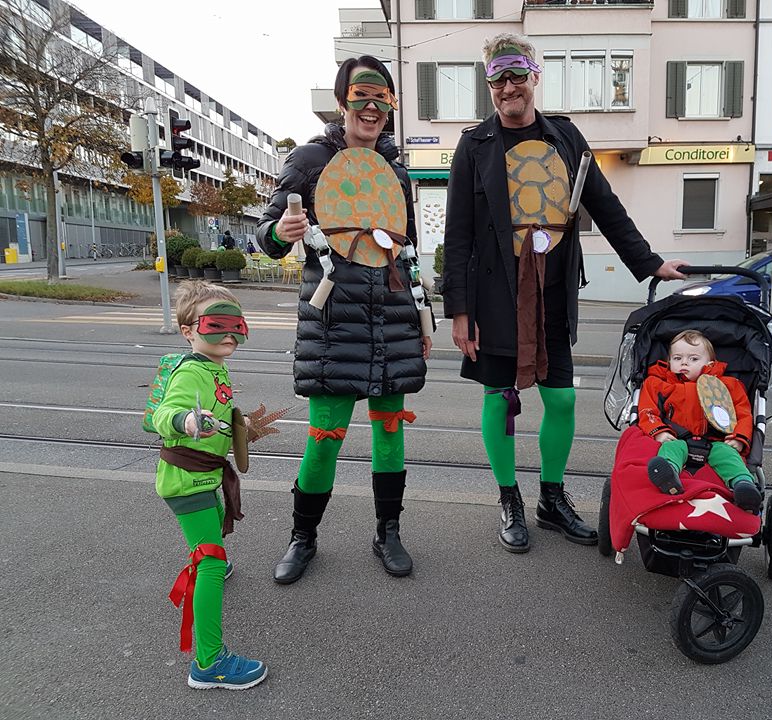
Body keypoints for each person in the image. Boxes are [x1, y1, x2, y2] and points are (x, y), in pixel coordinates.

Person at [442, 33, 688, 553]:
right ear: (490, 85)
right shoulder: (474, 145)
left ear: (535, 75)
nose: (508, 86)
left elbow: (607, 206)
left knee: (562, 398)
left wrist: (649, 264)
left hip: (552, 293)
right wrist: (459, 310)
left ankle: (550, 499)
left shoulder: (567, 139)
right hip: (494, 295)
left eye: (517, 74)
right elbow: (457, 234)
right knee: (500, 398)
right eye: (498, 77)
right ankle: (509, 500)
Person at [257, 56, 431, 582]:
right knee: (325, 433)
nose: (373, 109)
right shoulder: (310, 160)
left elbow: (408, 247)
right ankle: (302, 537)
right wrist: (280, 232)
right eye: (362, 97)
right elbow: (265, 234)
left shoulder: (396, 171)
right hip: (335, 317)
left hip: (394, 313)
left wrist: (422, 315)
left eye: (383, 99)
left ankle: (388, 533)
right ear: (342, 102)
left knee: (389, 432)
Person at [153, 280, 266, 690]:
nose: (230, 334)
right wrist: (185, 420)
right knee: (211, 560)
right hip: (187, 478)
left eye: (237, 324)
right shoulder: (190, 372)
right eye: (217, 324)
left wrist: (240, 427)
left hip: (204, 473)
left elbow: (217, 411)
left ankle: (210, 564)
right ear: (189, 331)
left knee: (215, 525)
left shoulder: (214, 366)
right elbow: (167, 412)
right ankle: (209, 663)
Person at [637, 329, 762, 513]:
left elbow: (743, 414)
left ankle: (743, 484)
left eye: (694, 359)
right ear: (669, 360)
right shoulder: (659, 384)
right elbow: (647, 411)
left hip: (716, 442)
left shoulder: (728, 385)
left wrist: (739, 438)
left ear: (710, 363)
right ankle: (668, 475)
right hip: (677, 440)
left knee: (728, 457)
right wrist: (660, 431)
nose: (684, 362)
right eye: (677, 358)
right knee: (668, 450)